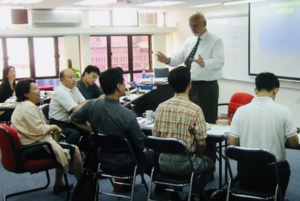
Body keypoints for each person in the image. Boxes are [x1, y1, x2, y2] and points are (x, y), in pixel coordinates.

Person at [156, 11, 224, 163]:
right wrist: (168, 60)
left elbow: (220, 62)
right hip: (190, 86)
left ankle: (208, 159)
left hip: (207, 87)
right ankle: (191, 157)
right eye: (191, 26)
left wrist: (204, 63)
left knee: (206, 123)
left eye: (196, 25)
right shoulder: (189, 41)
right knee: (190, 122)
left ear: (204, 24)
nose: (193, 28)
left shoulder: (215, 41)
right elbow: (179, 57)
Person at [229, 72, 299, 199]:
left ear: (256, 90)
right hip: (272, 175)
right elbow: (294, 143)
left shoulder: (240, 111)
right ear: (276, 90)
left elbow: (232, 143)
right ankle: (277, 196)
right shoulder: (284, 112)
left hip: (246, 173)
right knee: (285, 167)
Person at [70, 68, 151, 175]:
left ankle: (122, 186)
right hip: (126, 162)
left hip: (101, 160)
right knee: (153, 156)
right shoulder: (127, 115)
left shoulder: (91, 105)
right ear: (119, 86)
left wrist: (92, 130)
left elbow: (73, 118)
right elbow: (141, 144)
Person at [152, 66, 215, 201]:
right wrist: (201, 156)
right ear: (189, 84)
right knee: (211, 166)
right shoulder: (195, 109)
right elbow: (202, 142)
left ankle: (172, 191)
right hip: (186, 165)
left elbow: (155, 138)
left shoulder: (160, 107)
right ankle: (192, 194)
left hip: (163, 163)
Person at [11, 79, 82, 194]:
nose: (38, 90)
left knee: (60, 146)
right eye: (34, 89)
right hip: (31, 147)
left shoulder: (23, 105)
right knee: (75, 150)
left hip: (28, 144)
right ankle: (83, 187)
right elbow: (39, 130)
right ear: (26, 94)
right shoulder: (28, 107)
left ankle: (59, 184)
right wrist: (53, 127)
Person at [49, 69, 89, 148]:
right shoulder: (61, 91)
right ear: (62, 80)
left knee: (90, 131)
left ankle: (85, 156)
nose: (74, 79)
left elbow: (84, 102)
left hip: (71, 121)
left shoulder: (74, 89)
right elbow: (76, 108)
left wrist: (84, 104)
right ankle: (68, 155)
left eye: (74, 77)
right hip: (59, 124)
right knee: (75, 134)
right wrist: (83, 104)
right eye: (70, 77)